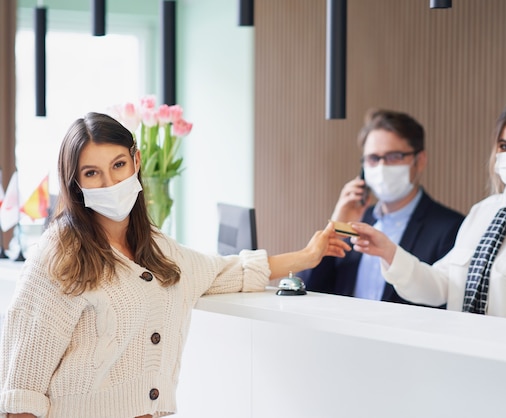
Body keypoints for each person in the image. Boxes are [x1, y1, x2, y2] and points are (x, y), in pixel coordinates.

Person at [0, 112, 351, 418]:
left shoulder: (157, 247)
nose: (110, 183)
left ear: (136, 162)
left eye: (118, 165)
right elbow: (21, 388)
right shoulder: (58, 255)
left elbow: (226, 271)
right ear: (75, 183)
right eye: (92, 173)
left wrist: (306, 256)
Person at [348, 98, 506, 328]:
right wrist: (389, 252)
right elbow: (441, 285)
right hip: (465, 363)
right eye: (505, 146)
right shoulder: (482, 213)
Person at [302, 109, 464, 305]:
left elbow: (445, 302)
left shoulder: (451, 228)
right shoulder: (356, 222)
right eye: (373, 158)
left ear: (419, 161)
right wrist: (335, 231)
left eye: (393, 156)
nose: (381, 167)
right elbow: (308, 288)